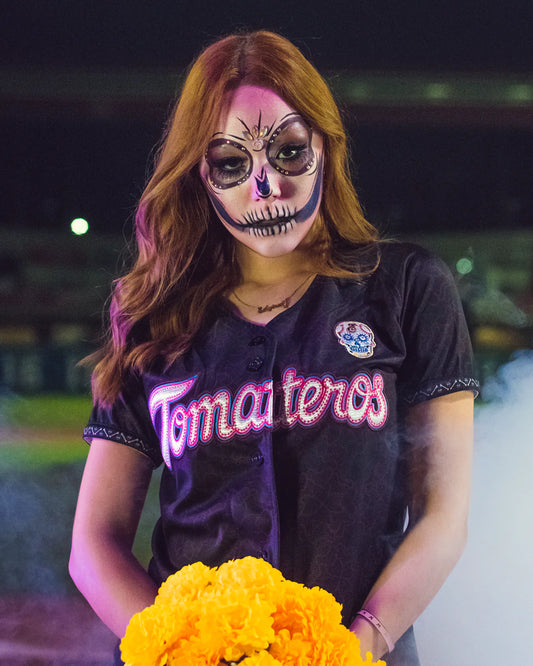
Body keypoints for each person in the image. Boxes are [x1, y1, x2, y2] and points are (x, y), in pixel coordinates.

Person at [69, 30, 478, 665]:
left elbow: (442, 515)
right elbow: (93, 543)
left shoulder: (406, 289)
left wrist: (359, 642)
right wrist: (176, 649)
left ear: (325, 146)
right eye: (232, 163)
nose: (266, 189)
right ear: (200, 174)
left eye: (288, 151)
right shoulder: (153, 316)